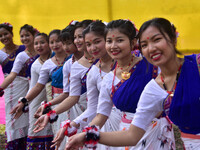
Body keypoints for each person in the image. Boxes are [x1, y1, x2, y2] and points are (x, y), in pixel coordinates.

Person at [66, 17, 200, 150]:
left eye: (157, 39)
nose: (151, 48)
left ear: (173, 39)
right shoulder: (152, 89)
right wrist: (86, 135)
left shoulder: (192, 65)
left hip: (158, 134)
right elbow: (131, 135)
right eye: (145, 45)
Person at [52, 20, 122, 150]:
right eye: (88, 44)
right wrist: (69, 126)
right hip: (105, 126)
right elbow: (93, 109)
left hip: (134, 125)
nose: (93, 48)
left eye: (97, 42)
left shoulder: (125, 64)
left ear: (107, 39)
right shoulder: (93, 73)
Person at [33, 20, 95, 148]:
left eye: (80, 37)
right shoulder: (73, 66)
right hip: (85, 111)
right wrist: (50, 111)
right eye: (75, 37)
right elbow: (72, 95)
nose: (78, 41)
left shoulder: (107, 61)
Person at [0, 24, 38, 149]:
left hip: (31, 87)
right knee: (14, 118)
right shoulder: (3, 54)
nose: (4, 37)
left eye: (6, 33)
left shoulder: (25, 49)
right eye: (0, 36)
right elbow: (11, 75)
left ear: (12, 34)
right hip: (12, 90)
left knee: (31, 118)